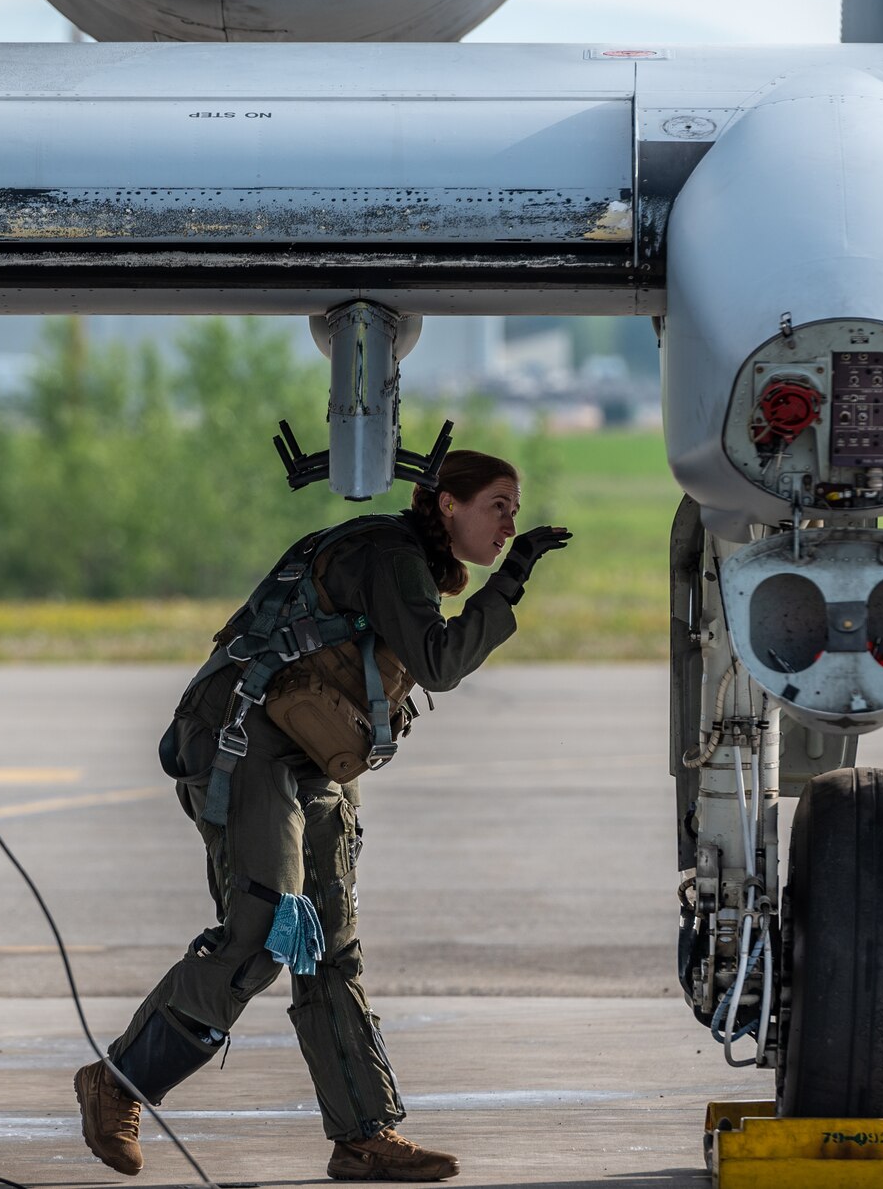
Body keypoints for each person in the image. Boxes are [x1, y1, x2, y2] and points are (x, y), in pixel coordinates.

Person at [75, 449, 571, 1181]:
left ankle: (364, 1134)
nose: (509, 523)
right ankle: (116, 1084)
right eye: (498, 505)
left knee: (331, 945)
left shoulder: (402, 560)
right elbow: (437, 663)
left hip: (311, 757)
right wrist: (510, 587)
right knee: (262, 930)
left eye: (514, 510)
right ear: (446, 505)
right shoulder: (388, 554)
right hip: (247, 748)